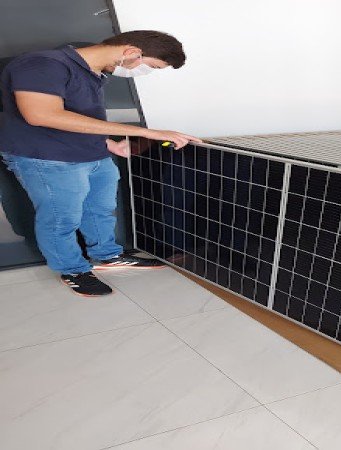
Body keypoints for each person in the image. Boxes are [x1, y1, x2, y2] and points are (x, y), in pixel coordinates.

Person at [0, 30, 203, 297]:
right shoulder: (42, 64)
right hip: (48, 158)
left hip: (92, 154)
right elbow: (41, 115)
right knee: (61, 219)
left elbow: (79, 117)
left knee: (100, 210)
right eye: (151, 67)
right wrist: (147, 132)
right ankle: (73, 270)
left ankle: (107, 256)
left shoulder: (93, 72)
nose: (144, 73)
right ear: (132, 53)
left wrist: (110, 144)